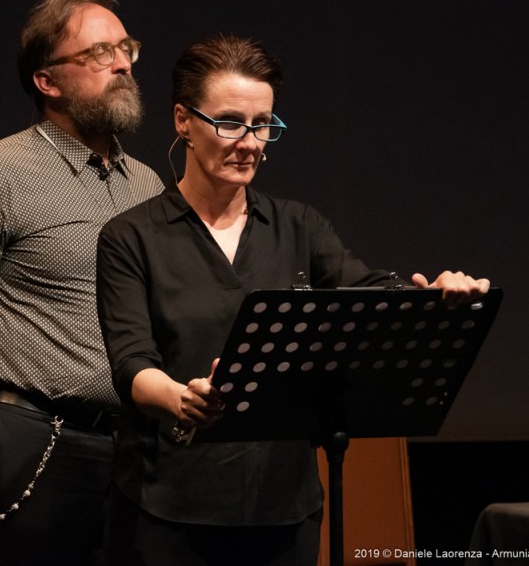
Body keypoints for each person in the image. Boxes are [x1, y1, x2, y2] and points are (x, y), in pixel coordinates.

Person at [95, 33, 491, 566]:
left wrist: (436, 295)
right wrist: (180, 399)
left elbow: (368, 289)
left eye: (263, 125)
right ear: (183, 121)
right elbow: (130, 359)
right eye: (231, 122)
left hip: (283, 507)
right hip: (168, 506)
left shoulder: (298, 225)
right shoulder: (131, 236)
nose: (252, 142)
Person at [0, 0, 164, 566]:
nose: (121, 64)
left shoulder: (146, 185)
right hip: (26, 441)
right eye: (98, 53)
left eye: (126, 48)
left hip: (129, 450)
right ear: (47, 81)